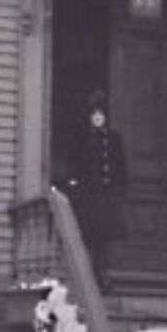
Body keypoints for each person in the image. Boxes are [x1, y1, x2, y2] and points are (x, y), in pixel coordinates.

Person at [52, 87, 128, 275]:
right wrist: (76, 187)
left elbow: (120, 166)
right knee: (88, 236)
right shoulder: (81, 139)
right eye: (94, 114)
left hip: (107, 195)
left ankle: (103, 274)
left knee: (106, 237)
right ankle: (88, 273)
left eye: (100, 115)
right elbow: (74, 166)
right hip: (88, 195)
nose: (97, 118)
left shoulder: (113, 139)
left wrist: (119, 189)